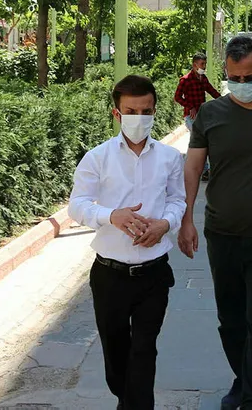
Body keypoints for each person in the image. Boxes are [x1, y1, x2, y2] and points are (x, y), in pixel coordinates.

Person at [178, 36, 252, 410]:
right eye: (234, 78)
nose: (242, 84)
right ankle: (244, 379)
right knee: (231, 321)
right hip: (223, 235)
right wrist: (186, 219)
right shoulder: (210, 114)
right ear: (226, 74)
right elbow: (193, 167)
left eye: (249, 77)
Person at [68, 75, 185, 410]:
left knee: (144, 351)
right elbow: (77, 205)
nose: (139, 118)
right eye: (131, 112)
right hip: (110, 275)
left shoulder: (169, 158)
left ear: (155, 111)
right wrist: (112, 216)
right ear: (116, 113)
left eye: (146, 111)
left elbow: (178, 200)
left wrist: (165, 223)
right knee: (116, 356)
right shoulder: (98, 157)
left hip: (154, 274)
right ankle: (127, 400)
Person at [174, 54, 222, 181]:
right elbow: (177, 97)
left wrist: (224, 101)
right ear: (194, 65)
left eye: (205, 64)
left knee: (200, 141)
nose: (204, 67)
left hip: (202, 115)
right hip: (191, 116)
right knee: (199, 141)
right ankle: (203, 170)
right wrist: (190, 107)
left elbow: (212, 91)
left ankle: (198, 168)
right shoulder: (185, 80)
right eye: (202, 64)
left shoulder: (203, 79)